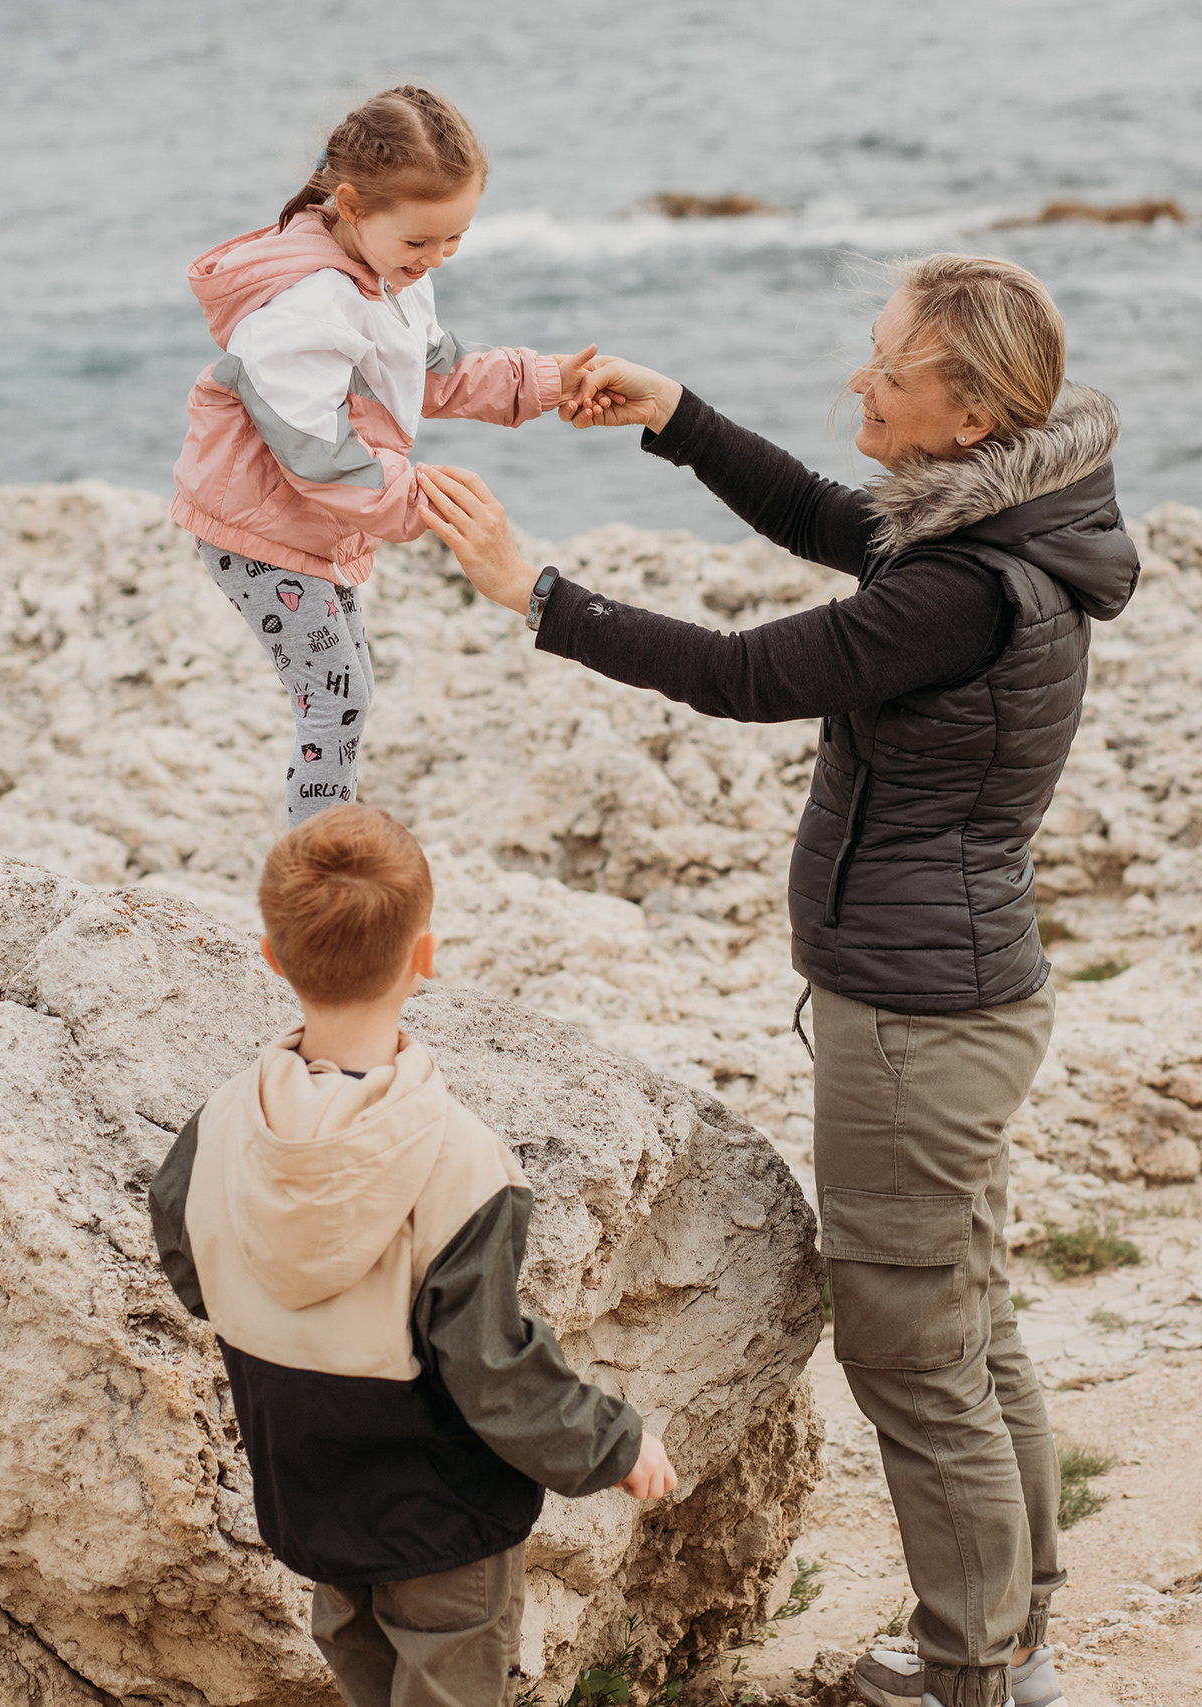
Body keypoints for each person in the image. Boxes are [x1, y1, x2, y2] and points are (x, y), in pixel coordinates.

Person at [414, 254, 1139, 1707]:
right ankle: (1006, 1632)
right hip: (958, 997)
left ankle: (973, 1667)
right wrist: (675, 414)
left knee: (916, 1349)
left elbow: (747, 673)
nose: (857, 383)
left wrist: (531, 591)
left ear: (966, 407)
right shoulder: (997, 527)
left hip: (917, 1024)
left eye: (882, 368)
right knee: (965, 1319)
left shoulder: (964, 589)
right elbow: (829, 518)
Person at [147, 804, 677, 1707]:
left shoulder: (224, 1123)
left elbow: (185, 1252)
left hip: (308, 1487)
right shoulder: (458, 1159)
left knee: (362, 1673)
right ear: (424, 957)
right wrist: (614, 1443)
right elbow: (492, 1367)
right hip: (442, 1520)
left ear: (274, 959)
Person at [170, 86, 599, 825]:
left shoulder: (394, 276)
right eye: (421, 242)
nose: (436, 260)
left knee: (348, 686)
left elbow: (438, 373)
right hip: (259, 532)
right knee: (337, 695)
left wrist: (549, 382)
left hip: (311, 524)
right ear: (352, 204)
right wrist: (417, 499)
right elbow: (315, 454)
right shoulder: (305, 309)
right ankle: (318, 870)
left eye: (454, 240)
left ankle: (323, 845)